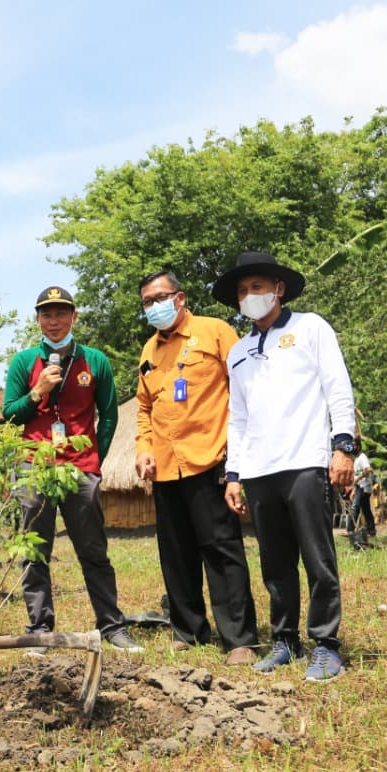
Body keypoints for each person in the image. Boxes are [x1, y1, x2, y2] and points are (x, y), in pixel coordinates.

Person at [217, 252, 357, 682]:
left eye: (257, 287)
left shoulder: (310, 328)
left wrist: (344, 445)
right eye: (242, 291)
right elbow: (237, 416)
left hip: (305, 461)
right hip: (258, 470)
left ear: (278, 288)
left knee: (317, 559)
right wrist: (234, 473)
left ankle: (326, 645)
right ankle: (285, 640)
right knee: (275, 565)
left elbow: (337, 387)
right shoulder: (238, 352)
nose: (249, 296)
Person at [2, 286, 143, 654]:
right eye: (46, 314)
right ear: (37, 320)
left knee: (93, 549)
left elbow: (109, 414)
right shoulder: (23, 362)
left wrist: (97, 459)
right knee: (35, 550)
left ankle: (112, 626)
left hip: (81, 468)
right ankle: (39, 628)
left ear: (74, 317)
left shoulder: (94, 361)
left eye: (61, 313)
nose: (54, 321)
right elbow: (10, 414)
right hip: (34, 466)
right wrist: (37, 393)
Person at [134, 271, 259, 664]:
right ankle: (188, 630)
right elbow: (143, 408)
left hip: (211, 459)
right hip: (166, 469)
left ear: (181, 298)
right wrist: (142, 448)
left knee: (221, 551)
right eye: (147, 302)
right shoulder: (148, 352)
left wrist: (242, 457)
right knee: (176, 553)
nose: (155, 307)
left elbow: (247, 387)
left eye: (161, 298)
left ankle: (238, 638)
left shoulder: (215, 332)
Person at [345, 450, 377, 538]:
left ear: (358, 446)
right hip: (360, 487)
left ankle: (350, 530)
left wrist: (359, 478)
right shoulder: (357, 459)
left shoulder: (362, 457)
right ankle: (371, 531)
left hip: (363, 487)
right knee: (366, 510)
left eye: (354, 446)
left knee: (355, 508)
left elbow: (368, 469)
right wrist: (354, 490)